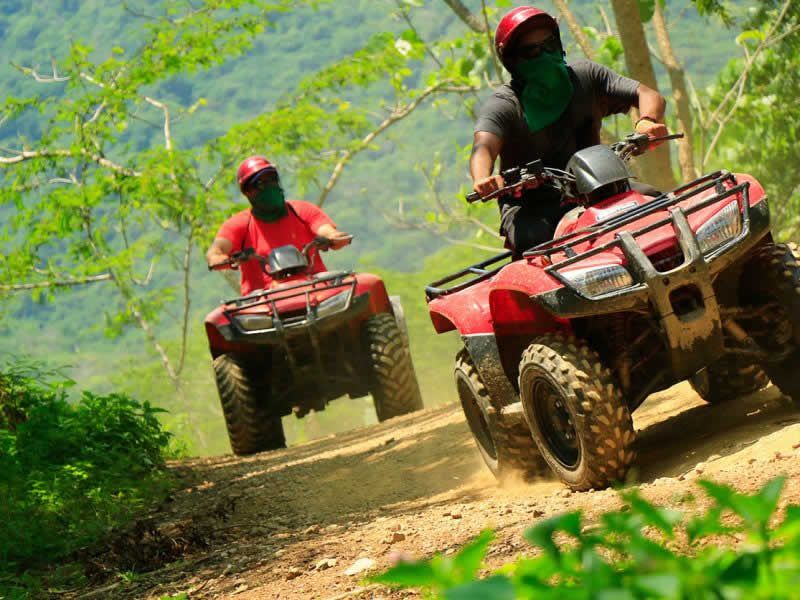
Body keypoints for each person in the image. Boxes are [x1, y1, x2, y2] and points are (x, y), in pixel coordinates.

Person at [471, 6, 669, 252]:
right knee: (538, 245)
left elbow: (646, 94)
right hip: (534, 206)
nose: (544, 55)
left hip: (599, 187)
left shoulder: (586, 77)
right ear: (512, 59)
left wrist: (647, 121)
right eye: (532, 51)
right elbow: (484, 146)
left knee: (656, 204)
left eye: (549, 45)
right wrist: (483, 178)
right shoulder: (505, 105)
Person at [206, 156, 352, 295]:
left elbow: (325, 229)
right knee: (222, 319)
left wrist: (333, 238)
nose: (270, 186)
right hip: (263, 301)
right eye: (261, 184)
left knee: (360, 286)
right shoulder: (239, 224)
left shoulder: (301, 210)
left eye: (272, 179)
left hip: (315, 288)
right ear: (248, 192)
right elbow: (216, 250)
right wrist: (221, 259)